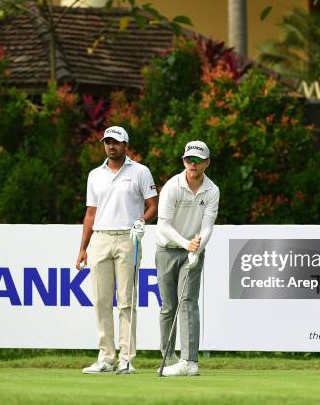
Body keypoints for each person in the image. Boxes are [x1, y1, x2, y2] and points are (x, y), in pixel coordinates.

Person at [76, 126, 158, 374]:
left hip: (127, 238)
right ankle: (106, 358)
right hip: (100, 239)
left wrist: (141, 221)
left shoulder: (140, 172)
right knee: (101, 301)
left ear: (126, 145)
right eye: (107, 142)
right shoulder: (94, 175)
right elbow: (91, 213)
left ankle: (127, 359)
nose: (111, 146)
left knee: (126, 301)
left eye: (116, 142)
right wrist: (83, 248)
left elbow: (153, 205)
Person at [155, 140, 220, 377]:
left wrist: (197, 248)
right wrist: (186, 243)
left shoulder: (212, 190)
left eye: (198, 160)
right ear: (183, 161)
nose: (192, 164)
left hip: (193, 251)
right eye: (188, 159)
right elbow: (163, 225)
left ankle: (190, 361)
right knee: (168, 305)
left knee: (188, 302)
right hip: (167, 249)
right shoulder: (172, 187)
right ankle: (168, 356)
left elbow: (207, 225)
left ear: (206, 163)